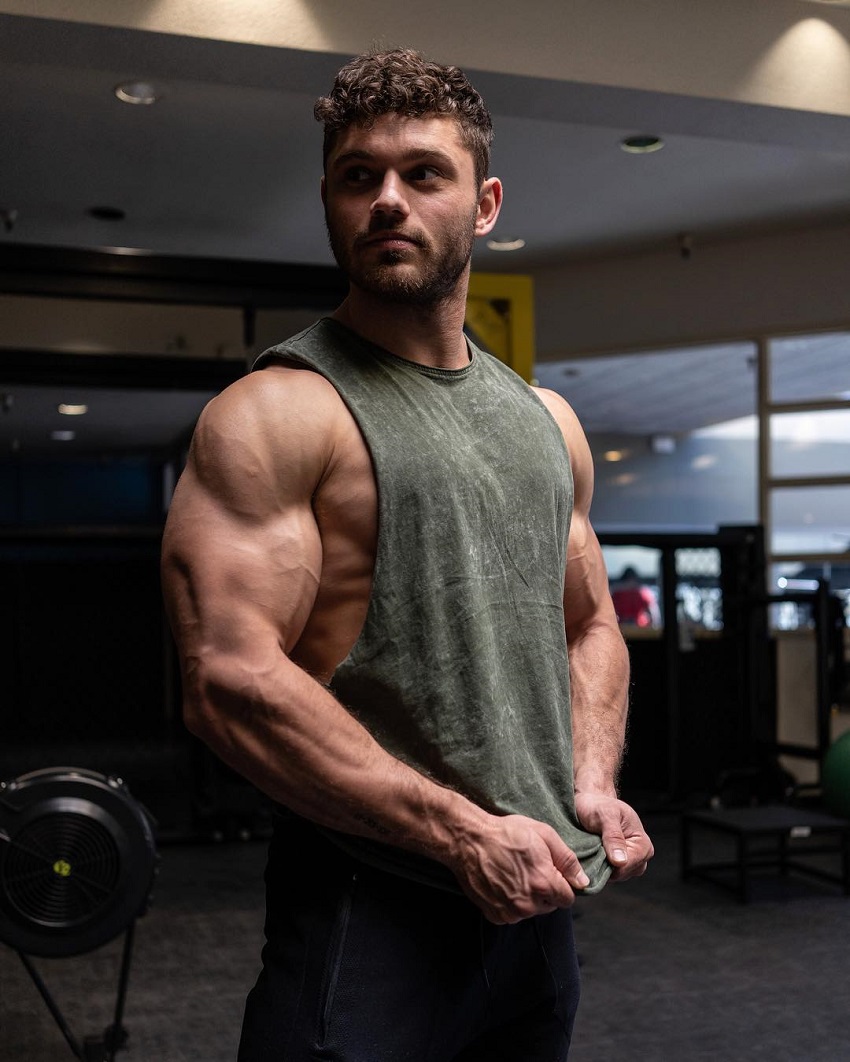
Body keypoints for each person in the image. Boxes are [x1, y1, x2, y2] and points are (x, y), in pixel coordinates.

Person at [161, 48, 654, 1062]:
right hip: (368, 902)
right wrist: (459, 833)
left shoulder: (544, 421)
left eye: (423, 173)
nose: (387, 200)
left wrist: (589, 783)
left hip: (532, 905)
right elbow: (227, 679)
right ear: (331, 202)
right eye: (358, 177)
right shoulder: (276, 413)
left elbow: (591, 623)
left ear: (483, 204)